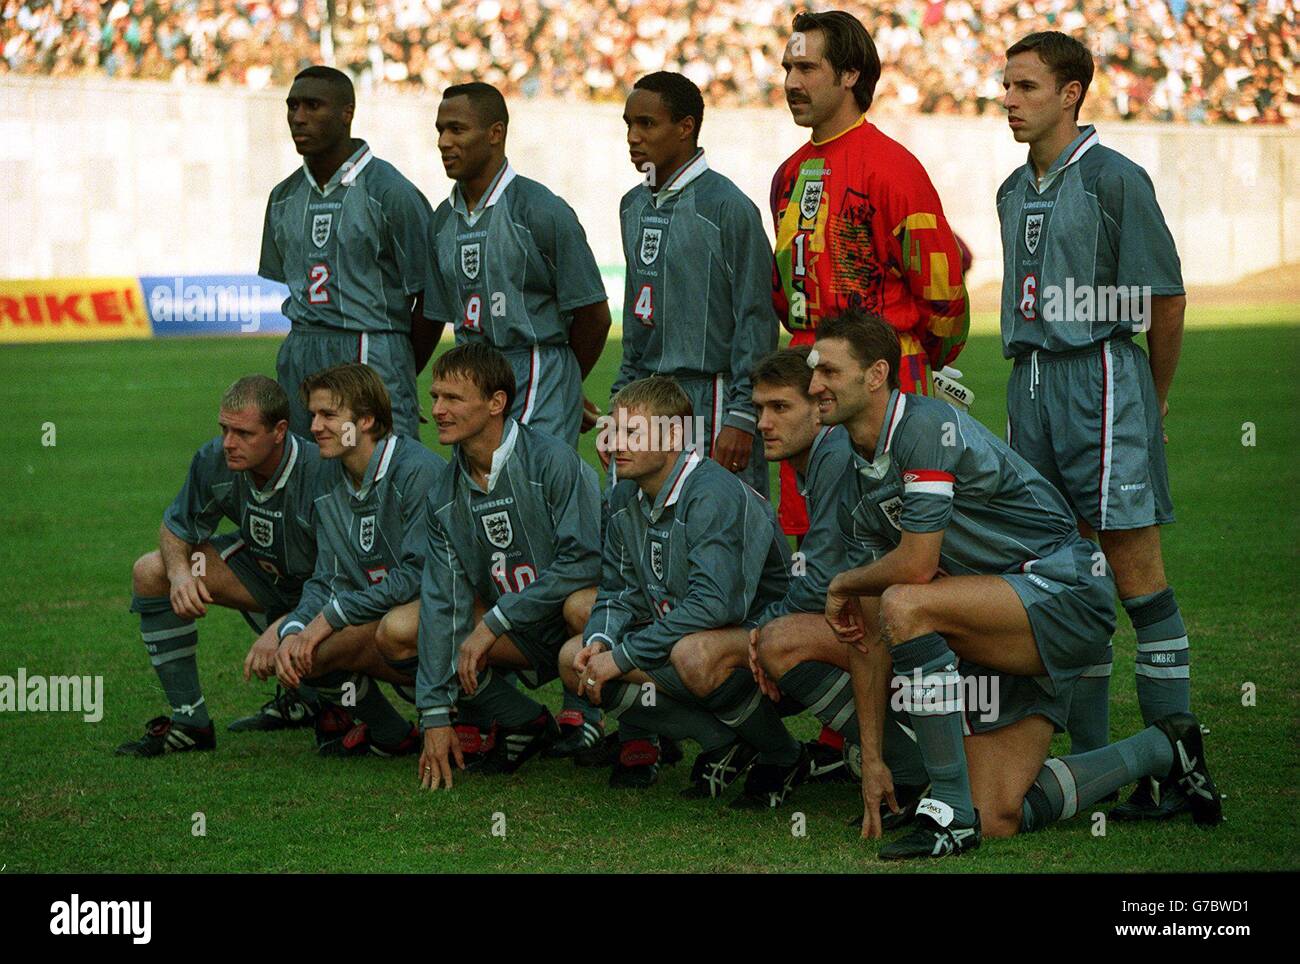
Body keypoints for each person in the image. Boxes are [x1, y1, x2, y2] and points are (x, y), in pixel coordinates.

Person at [809, 311, 1220, 859]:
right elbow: (867, 627)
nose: (814, 384)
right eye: (813, 372)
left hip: (1063, 593)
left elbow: (912, 567)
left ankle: (949, 815)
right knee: (999, 813)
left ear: (876, 374)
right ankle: (1163, 749)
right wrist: (874, 758)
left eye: (829, 372)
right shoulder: (848, 468)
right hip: (990, 621)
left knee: (907, 602)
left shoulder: (926, 426)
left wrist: (840, 582)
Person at [998, 32, 1192, 819]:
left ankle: (1180, 763)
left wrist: (1156, 395)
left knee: (1133, 568)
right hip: (1030, 382)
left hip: (1101, 377)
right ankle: (1101, 768)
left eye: (1026, 86)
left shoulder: (1115, 179)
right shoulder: (1012, 187)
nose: (1008, 100)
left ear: (1071, 93)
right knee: (1061, 571)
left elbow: (1165, 299)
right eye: (1005, 86)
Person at [771, 10, 970, 539]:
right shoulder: (789, 172)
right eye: (788, 68)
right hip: (806, 372)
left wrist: (920, 357)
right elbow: (784, 288)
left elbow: (943, 290)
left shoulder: (893, 168)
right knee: (816, 543)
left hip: (883, 375)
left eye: (808, 68)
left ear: (851, 75)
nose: (792, 82)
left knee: (893, 540)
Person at [563, 377, 809, 805]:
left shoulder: (711, 492)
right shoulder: (624, 493)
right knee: (575, 659)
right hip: (687, 632)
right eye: (614, 431)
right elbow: (618, 589)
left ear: (675, 435)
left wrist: (621, 658)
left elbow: (715, 605)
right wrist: (601, 641)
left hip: (762, 646)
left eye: (632, 433)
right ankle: (724, 741)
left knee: (693, 655)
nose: (616, 444)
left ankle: (784, 753)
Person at [378, 344, 603, 788]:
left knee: (583, 606)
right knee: (400, 630)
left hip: (571, 622)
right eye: (435, 397)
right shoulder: (443, 493)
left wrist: (496, 621)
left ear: (496, 403)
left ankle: (629, 730)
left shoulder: (553, 460)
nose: (437, 410)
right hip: (515, 631)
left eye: (452, 398)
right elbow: (444, 601)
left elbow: (585, 562)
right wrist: (435, 715)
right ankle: (524, 720)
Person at [746, 348, 930, 821]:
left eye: (781, 408)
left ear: (818, 409)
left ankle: (909, 765)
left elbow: (824, 584)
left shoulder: (832, 455)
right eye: (759, 409)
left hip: (924, 615)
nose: (764, 423)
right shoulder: (819, 457)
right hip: (900, 610)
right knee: (755, 642)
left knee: (774, 644)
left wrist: (757, 631)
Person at [117, 376, 330, 756]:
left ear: (280, 431)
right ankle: (191, 723)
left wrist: (285, 627)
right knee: (151, 572)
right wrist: (181, 574)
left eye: (244, 433)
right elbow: (174, 527)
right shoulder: (215, 459)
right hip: (262, 573)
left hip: (326, 592)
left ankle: (325, 702)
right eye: (225, 429)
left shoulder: (322, 473)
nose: (229, 443)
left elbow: (343, 577)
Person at [612, 70, 776, 496]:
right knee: (642, 537)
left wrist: (741, 416)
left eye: (646, 124)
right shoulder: (631, 205)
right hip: (647, 402)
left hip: (713, 401)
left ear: (685, 127)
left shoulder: (728, 207)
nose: (633, 136)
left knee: (718, 531)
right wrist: (619, 407)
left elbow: (755, 320)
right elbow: (636, 321)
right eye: (628, 123)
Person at [424, 81, 611, 448]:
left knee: (531, 493)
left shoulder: (541, 210)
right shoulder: (442, 220)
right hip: (473, 387)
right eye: (440, 130)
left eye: (457, 129)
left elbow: (594, 315)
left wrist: (563, 385)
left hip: (537, 378)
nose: (444, 141)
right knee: (479, 498)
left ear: (496, 134)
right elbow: (438, 314)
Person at [273, 363, 445, 757]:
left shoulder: (417, 471)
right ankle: (389, 732)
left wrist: (332, 617)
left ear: (367, 420)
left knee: (392, 627)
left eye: (328, 415)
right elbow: (327, 578)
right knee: (308, 653)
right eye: (313, 415)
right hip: (387, 616)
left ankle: (505, 716)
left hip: (450, 611)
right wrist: (294, 629)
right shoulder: (327, 477)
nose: (315, 426)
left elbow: (419, 575)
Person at [258, 65, 436, 439]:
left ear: (346, 113)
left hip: (371, 350)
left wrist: (399, 369)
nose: (298, 117)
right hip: (301, 354)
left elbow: (431, 299)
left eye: (313, 106)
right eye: (292, 106)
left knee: (382, 482)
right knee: (304, 482)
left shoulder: (391, 193)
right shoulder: (283, 197)